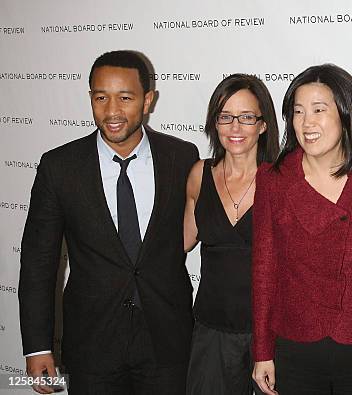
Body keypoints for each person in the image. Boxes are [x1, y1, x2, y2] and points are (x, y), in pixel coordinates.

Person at [19, 50, 199, 394]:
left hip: (167, 342)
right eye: (101, 97)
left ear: (148, 100)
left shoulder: (182, 157)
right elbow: (38, 262)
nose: (112, 111)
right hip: (91, 345)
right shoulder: (59, 167)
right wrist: (38, 346)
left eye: (125, 98)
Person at [252, 64, 352, 395]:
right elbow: (265, 270)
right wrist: (262, 351)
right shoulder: (273, 180)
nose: (307, 122)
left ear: (346, 114)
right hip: (297, 343)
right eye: (298, 112)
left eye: (319, 109)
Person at [183, 73, 279, 394]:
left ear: (263, 125)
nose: (235, 127)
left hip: (271, 334)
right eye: (225, 117)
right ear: (215, 123)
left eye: (246, 117)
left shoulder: (281, 180)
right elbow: (179, 242)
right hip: (212, 332)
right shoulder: (199, 174)